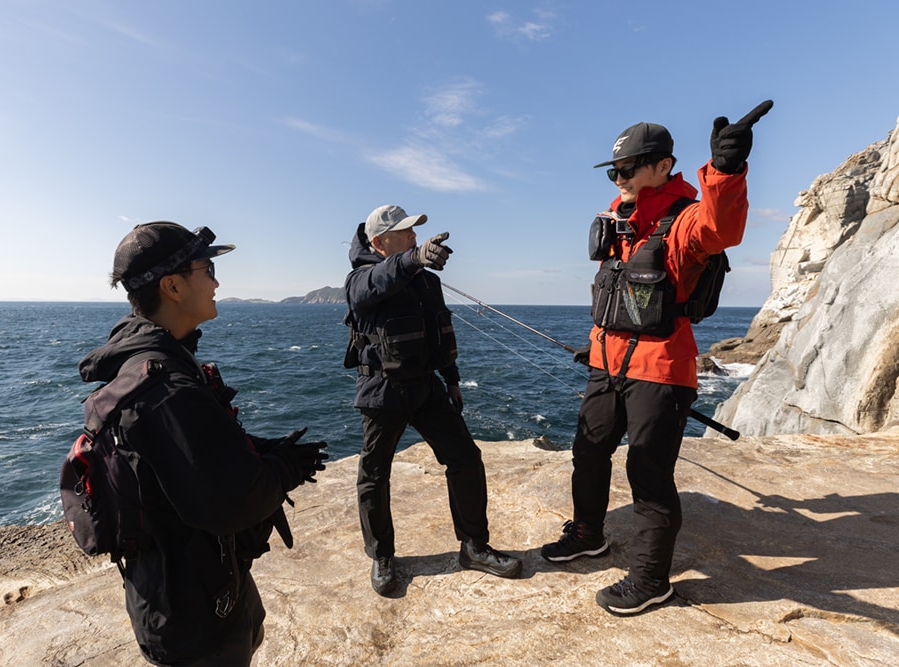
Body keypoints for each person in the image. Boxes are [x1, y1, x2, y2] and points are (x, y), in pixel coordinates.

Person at [541, 101, 773, 615]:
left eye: (628, 168)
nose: (619, 177)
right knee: (589, 451)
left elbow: (722, 228)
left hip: (662, 370)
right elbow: (617, 299)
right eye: (615, 170)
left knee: (648, 475)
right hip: (607, 364)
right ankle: (587, 533)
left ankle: (651, 580)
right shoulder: (620, 221)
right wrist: (596, 349)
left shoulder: (685, 220)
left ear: (663, 165)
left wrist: (726, 171)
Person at [79, 221, 328, 666]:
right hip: (190, 613)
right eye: (207, 269)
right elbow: (233, 503)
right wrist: (284, 468)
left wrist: (259, 450)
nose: (216, 282)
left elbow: (186, 457)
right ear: (173, 286)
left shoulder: (161, 361)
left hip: (198, 581)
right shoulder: (166, 388)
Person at [344, 204, 523, 596]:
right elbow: (372, 285)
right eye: (404, 232)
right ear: (379, 242)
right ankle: (382, 555)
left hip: (426, 387)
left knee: (465, 458)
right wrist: (412, 258)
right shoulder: (361, 277)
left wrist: (452, 379)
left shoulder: (426, 280)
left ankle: (474, 546)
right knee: (374, 475)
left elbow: (440, 331)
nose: (413, 236)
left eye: (413, 232)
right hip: (382, 390)